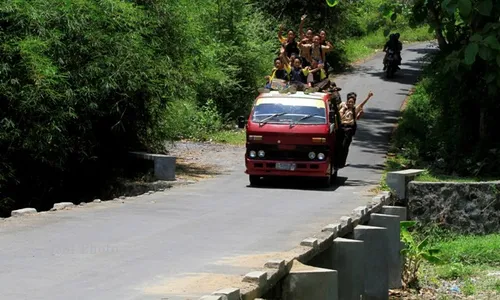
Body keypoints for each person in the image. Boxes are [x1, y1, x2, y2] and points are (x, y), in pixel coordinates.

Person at [335, 91, 374, 168]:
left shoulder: (354, 110)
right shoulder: (342, 106)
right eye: (349, 102)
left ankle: (342, 162)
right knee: (338, 145)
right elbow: (336, 110)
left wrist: (368, 97)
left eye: (352, 102)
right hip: (341, 127)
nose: (350, 103)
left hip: (349, 129)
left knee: (345, 146)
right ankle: (336, 161)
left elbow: (362, 104)